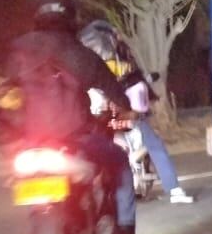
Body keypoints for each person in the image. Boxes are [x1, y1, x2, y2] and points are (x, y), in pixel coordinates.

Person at [0, 0, 140, 234]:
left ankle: (36, 222)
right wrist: (127, 109)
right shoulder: (81, 54)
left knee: (22, 173)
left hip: (31, 143)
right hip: (76, 138)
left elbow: (2, 91)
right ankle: (125, 230)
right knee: (120, 162)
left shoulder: (18, 50)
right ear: (70, 16)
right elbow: (114, 92)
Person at [77, 20, 193, 204]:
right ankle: (174, 190)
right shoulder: (118, 60)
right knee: (154, 144)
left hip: (98, 119)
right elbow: (133, 80)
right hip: (120, 112)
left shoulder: (83, 63)